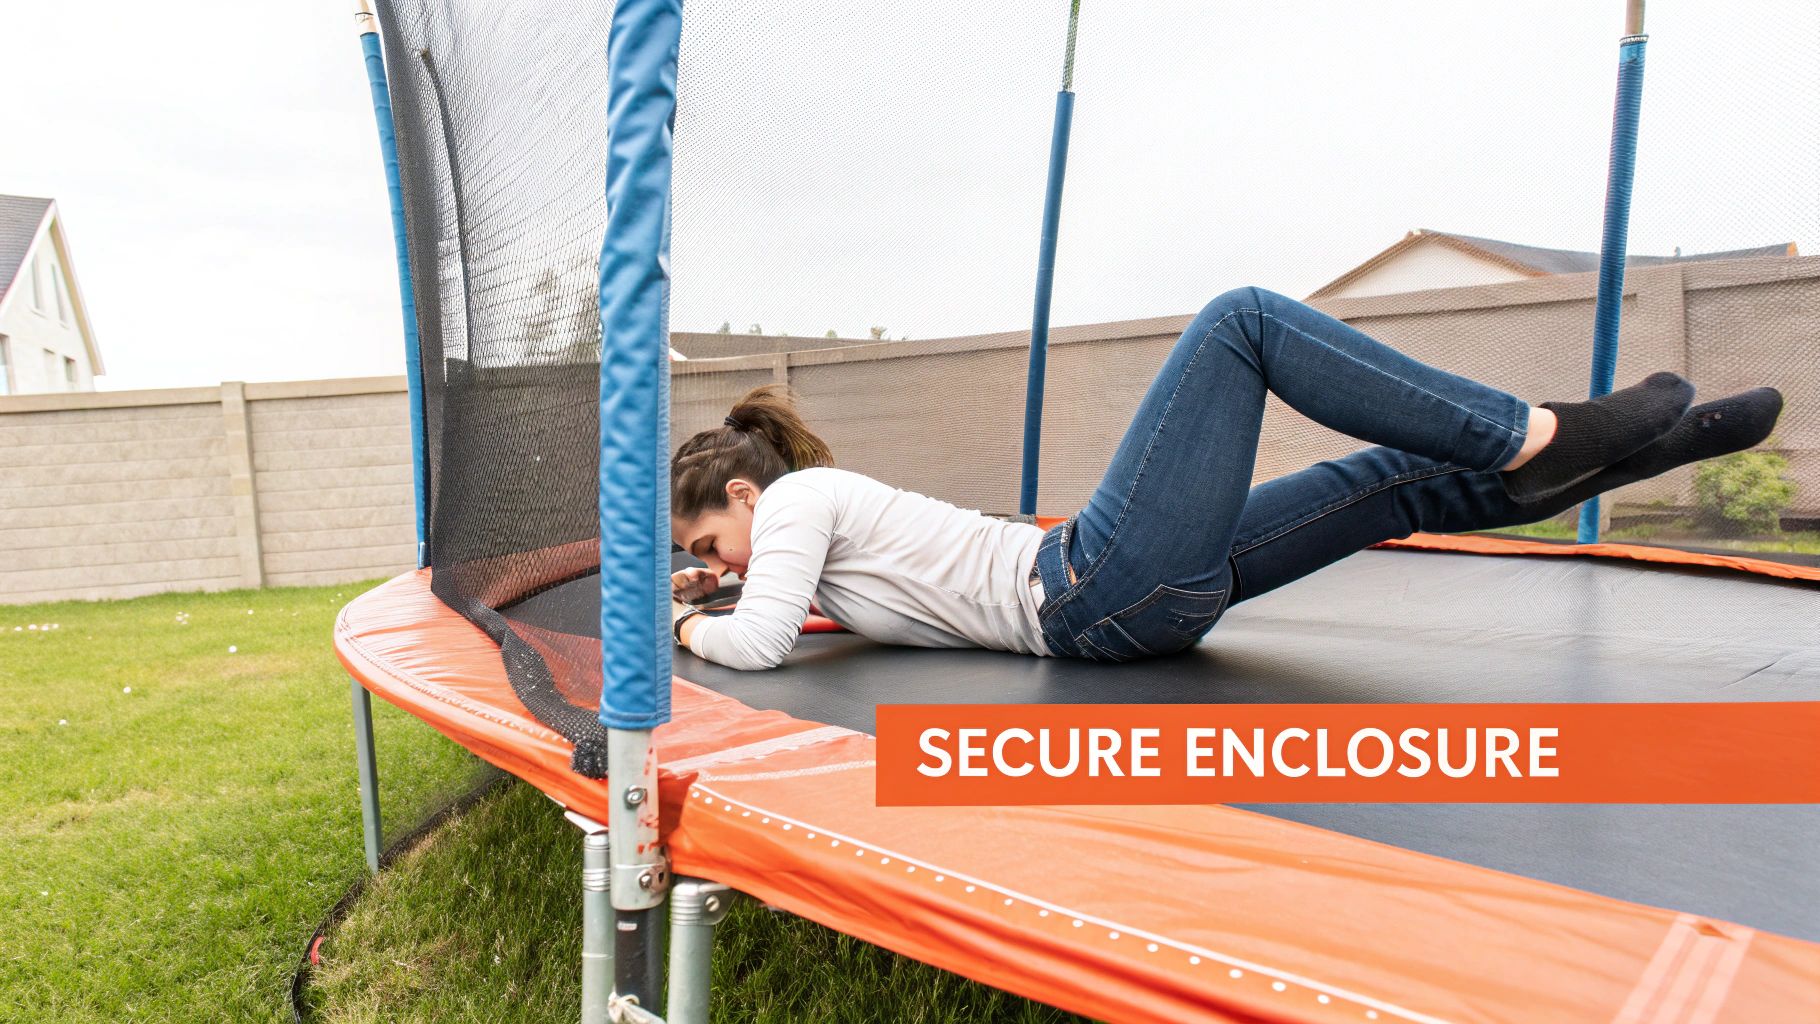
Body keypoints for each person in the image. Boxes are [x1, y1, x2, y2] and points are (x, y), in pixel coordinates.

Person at [668, 287, 1783, 670]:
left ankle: (1621, 449)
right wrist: (712, 600)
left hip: (1110, 591)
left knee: (1391, 479)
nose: (713, 562)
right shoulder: (804, 520)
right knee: (1242, 319)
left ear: (748, 497)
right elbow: (766, 631)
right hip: (1098, 594)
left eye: (707, 542)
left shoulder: (800, 505)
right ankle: (1540, 434)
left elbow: (760, 635)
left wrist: (688, 624)